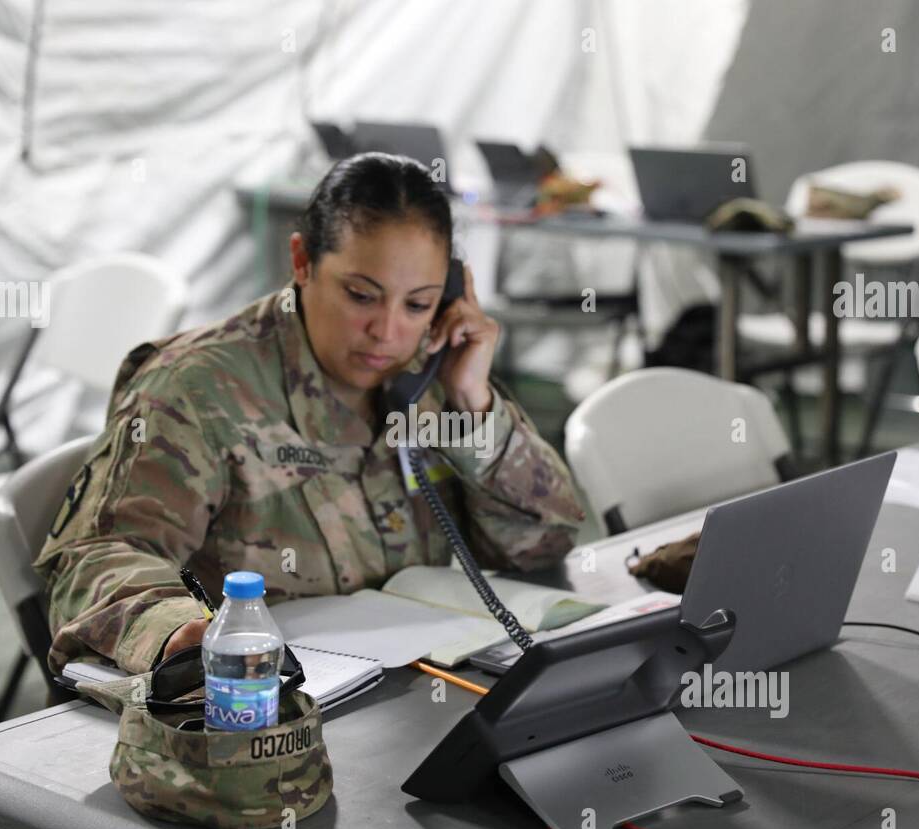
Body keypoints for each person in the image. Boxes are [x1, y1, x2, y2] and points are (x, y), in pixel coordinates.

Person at [35, 152, 586, 674]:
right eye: (361, 295)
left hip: (420, 687)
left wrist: (474, 404)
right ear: (302, 262)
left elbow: (544, 544)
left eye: (417, 303)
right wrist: (179, 634)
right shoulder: (198, 388)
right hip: (263, 709)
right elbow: (99, 556)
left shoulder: (435, 375)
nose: (388, 331)